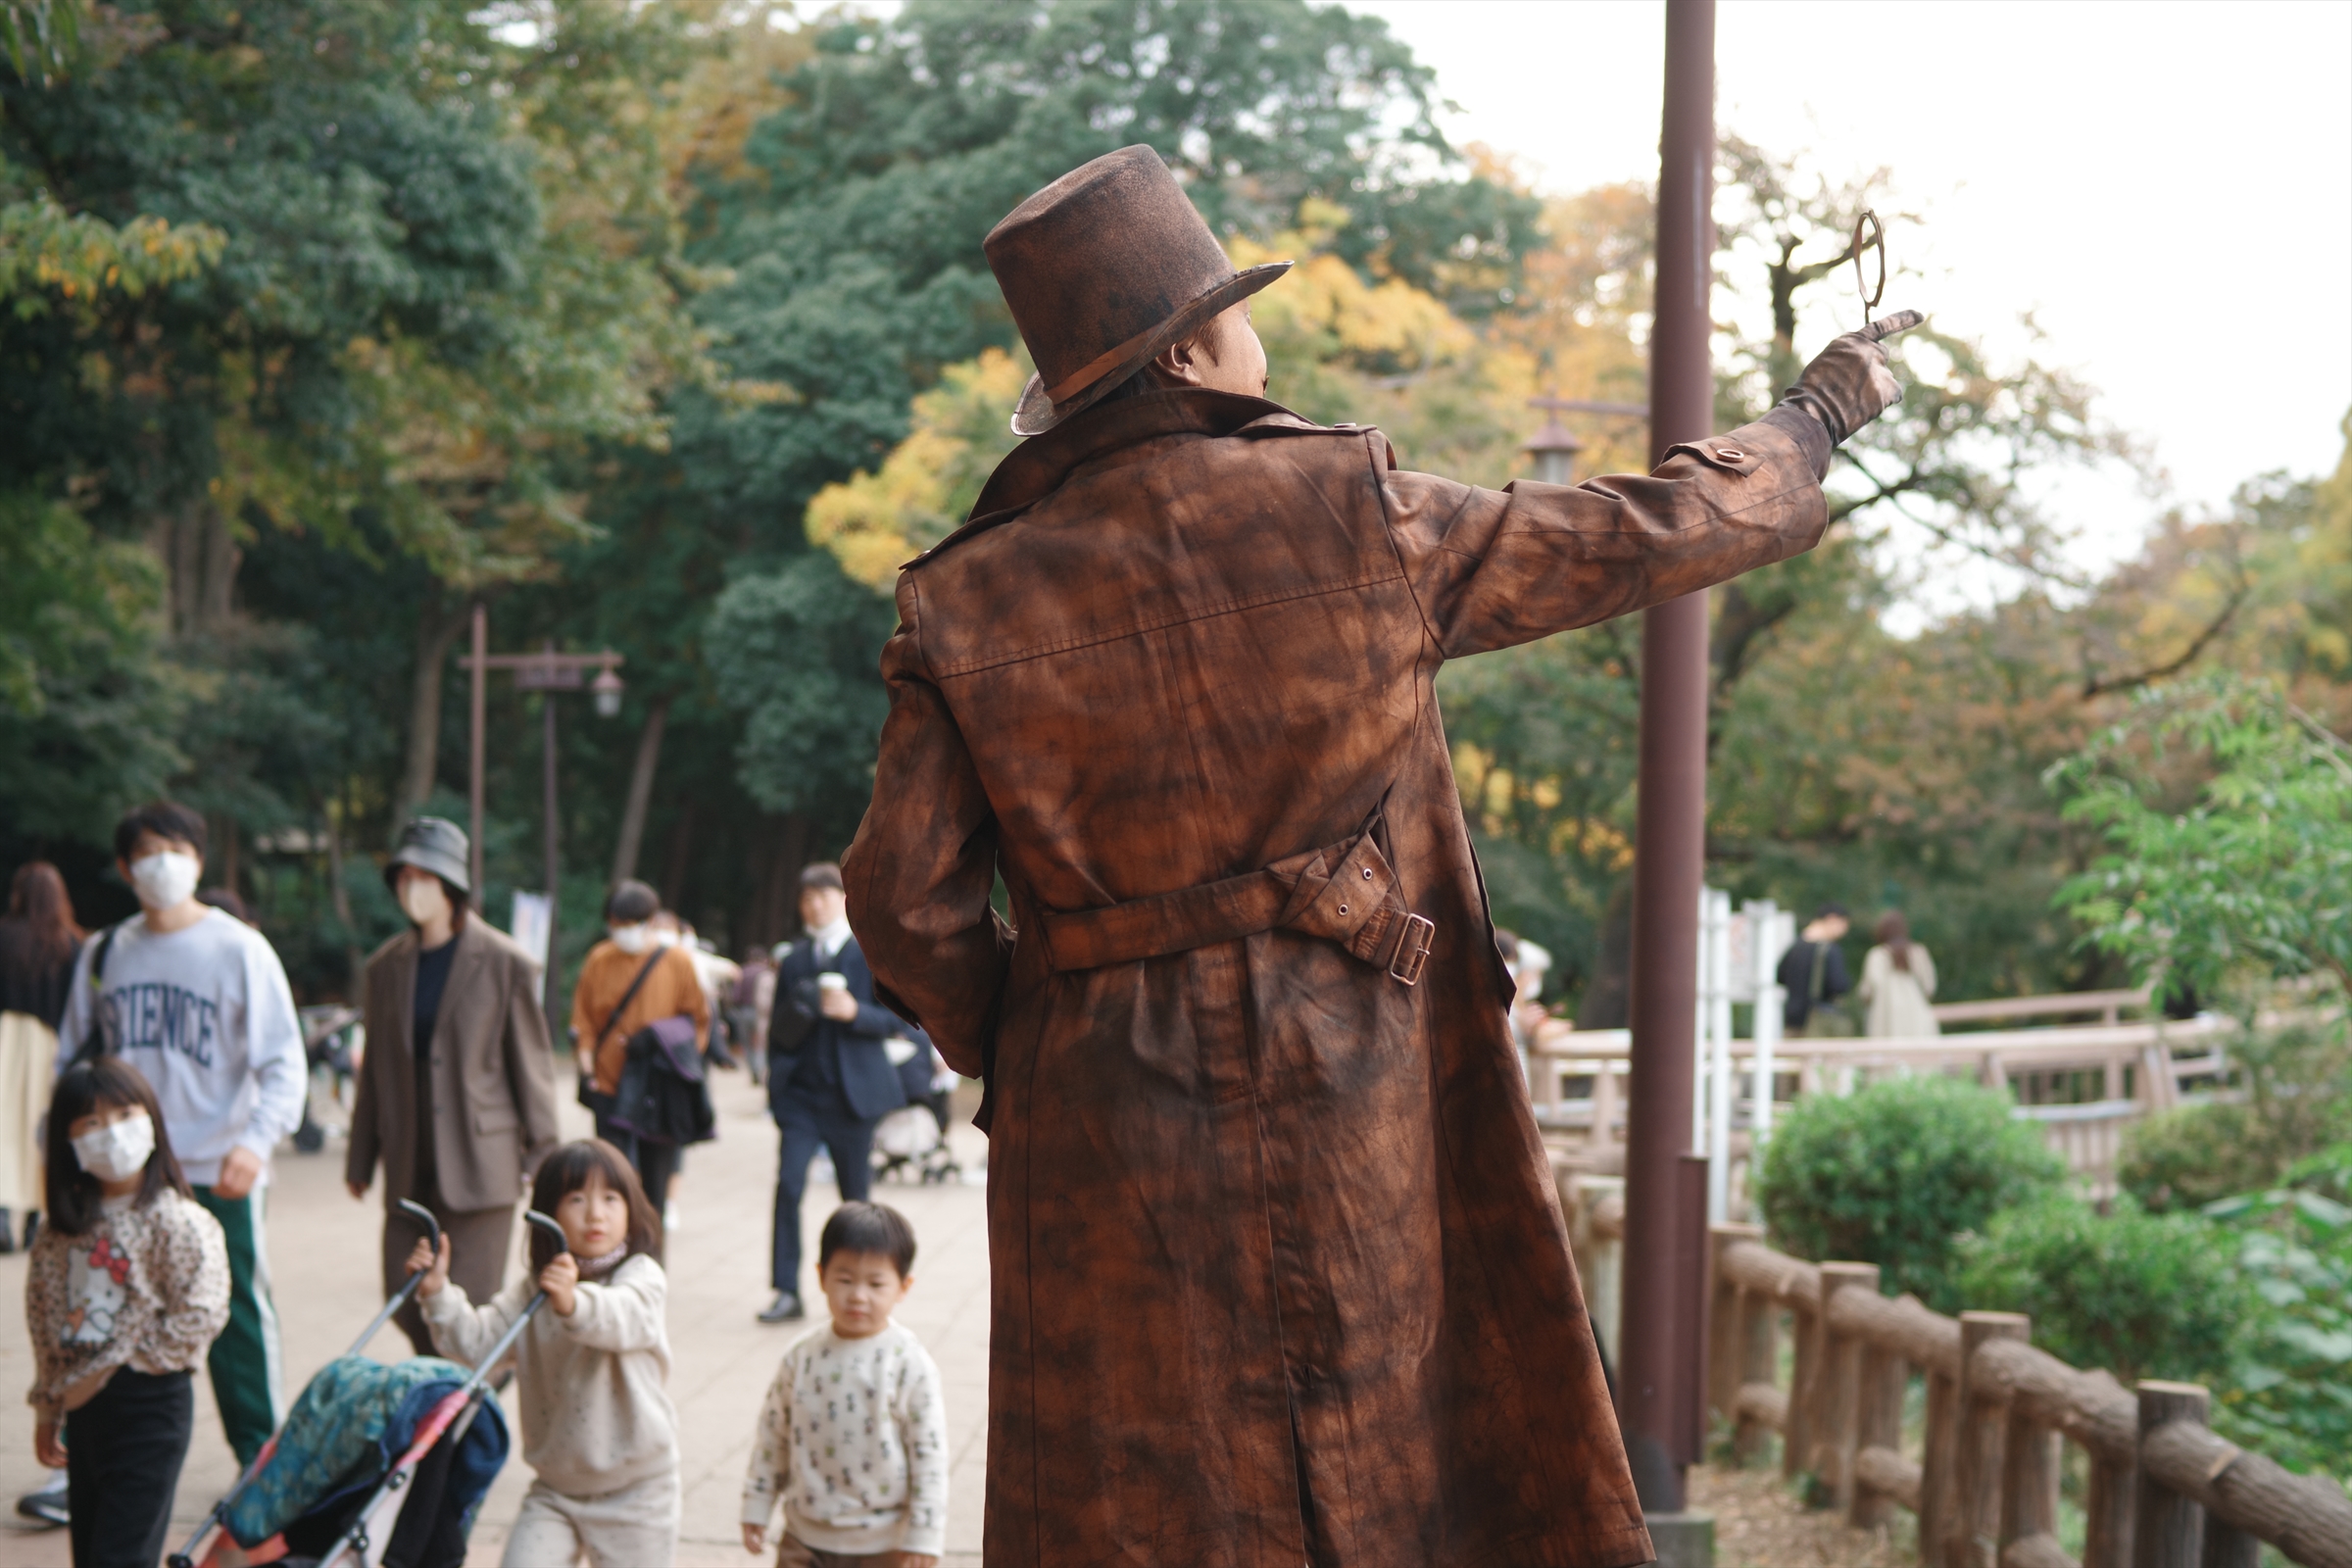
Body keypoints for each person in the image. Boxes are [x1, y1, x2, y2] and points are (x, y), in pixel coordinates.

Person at [841, 145, 1914, 1564]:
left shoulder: (965, 596)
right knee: (1386, 1453)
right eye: (1235, 312)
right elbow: (1641, 531)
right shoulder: (1353, 508)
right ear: (1190, 353)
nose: (1256, 337)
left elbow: (897, 901)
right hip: (1359, 1072)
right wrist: (1815, 415)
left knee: (1139, 1480)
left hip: (1100, 1120)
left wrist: (1040, 1029)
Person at [54, 800, 305, 1471]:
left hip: (218, 1163)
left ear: (198, 860)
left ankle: (261, 1459)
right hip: (123, 1167)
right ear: (124, 868)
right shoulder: (108, 951)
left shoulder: (239, 949)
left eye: (175, 850)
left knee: (235, 1311)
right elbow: (71, 1060)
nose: (160, 865)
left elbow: (284, 1059)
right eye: (145, 853)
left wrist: (257, 1141)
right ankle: (84, 1454)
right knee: (101, 1304)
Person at [347, 817, 561, 1355]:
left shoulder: (505, 962)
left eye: (424, 876)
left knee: (470, 1301)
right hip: (409, 1156)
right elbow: (375, 1070)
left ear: (451, 885)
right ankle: (449, 1383)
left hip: (480, 1161)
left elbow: (531, 1067)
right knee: (404, 1294)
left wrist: (544, 1156)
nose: (412, 887)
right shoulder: (385, 968)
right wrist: (360, 1156)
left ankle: (464, 1394)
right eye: (403, 876)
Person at [413, 1138, 678, 1568]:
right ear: (547, 1213)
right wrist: (437, 1292)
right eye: (577, 1199)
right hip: (555, 1489)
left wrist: (572, 1303)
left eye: (611, 1198)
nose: (595, 1214)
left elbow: (624, 1318)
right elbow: (478, 1344)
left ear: (632, 1207)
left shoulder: (642, 1276)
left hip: (637, 1490)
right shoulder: (533, 1290)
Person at [25, 1057, 230, 1568]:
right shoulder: (60, 1232)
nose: (112, 1134)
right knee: (93, 1547)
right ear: (66, 1139)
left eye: (124, 1116)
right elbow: (45, 1319)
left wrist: (124, 1363)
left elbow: (202, 1310)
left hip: (150, 1404)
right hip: (83, 1408)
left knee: (121, 1553)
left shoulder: (178, 1221)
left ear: (151, 1121)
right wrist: (49, 1406)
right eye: (91, 1123)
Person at [741, 1201, 947, 1568]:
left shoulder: (908, 1364)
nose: (858, 1296)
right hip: (804, 1538)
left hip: (883, 1544)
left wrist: (925, 1533)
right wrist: (757, 1504)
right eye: (845, 1279)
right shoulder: (801, 1356)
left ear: (903, 1286)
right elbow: (773, 1436)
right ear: (822, 1276)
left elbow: (928, 1453)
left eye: (876, 1283)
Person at [760, 863, 906, 1325]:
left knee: (856, 1199)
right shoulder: (795, 959)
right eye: (806, 899)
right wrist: (776, 1085)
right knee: (789, 1186)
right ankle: (786, 1290)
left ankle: (859, 1291)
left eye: (822, 896)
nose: (814, 905)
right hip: (802, 1098)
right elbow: (777, 1032)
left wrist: (854, 1013)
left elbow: (901, 1019)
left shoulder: (869, 953)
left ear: (842, 900)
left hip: (852, 1098)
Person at [568, 880, 708, 1218]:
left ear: (649, 921)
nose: (621, 931)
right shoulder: (599, 959)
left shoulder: (677, 962)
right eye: (615, 924)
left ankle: (652, 1248)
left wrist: (671, 1056)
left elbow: (697, 1022)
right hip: (608, 1082)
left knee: (655, 1187)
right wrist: (587, 1070)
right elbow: (583, 1022)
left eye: (628, 924)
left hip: (658, 1086)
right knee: (611, 1179)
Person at [2, 862, 83, 1253]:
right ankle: (36, 1219)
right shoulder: (72, 945)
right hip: (50, 1046)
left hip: (4, 1041)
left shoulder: (3, 936)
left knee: (4, 1130)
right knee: (42, 1133)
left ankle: (2, 1214)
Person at [1860, 910, 1940, 1040]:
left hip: (1885, 1017)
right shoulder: (1918, 952)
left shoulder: (1877, 955)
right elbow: (1929, 987)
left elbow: (1867, 990)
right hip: (1916, 1014)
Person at [1777, 904, 1854, 1037]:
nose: (1844, 930)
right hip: (1817, 1021)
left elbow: (1780, 976)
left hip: (1792, 1018)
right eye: (1843, 924)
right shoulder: (1829, 949)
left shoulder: (1795, 947)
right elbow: (1838, 984)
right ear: (1832, 919)